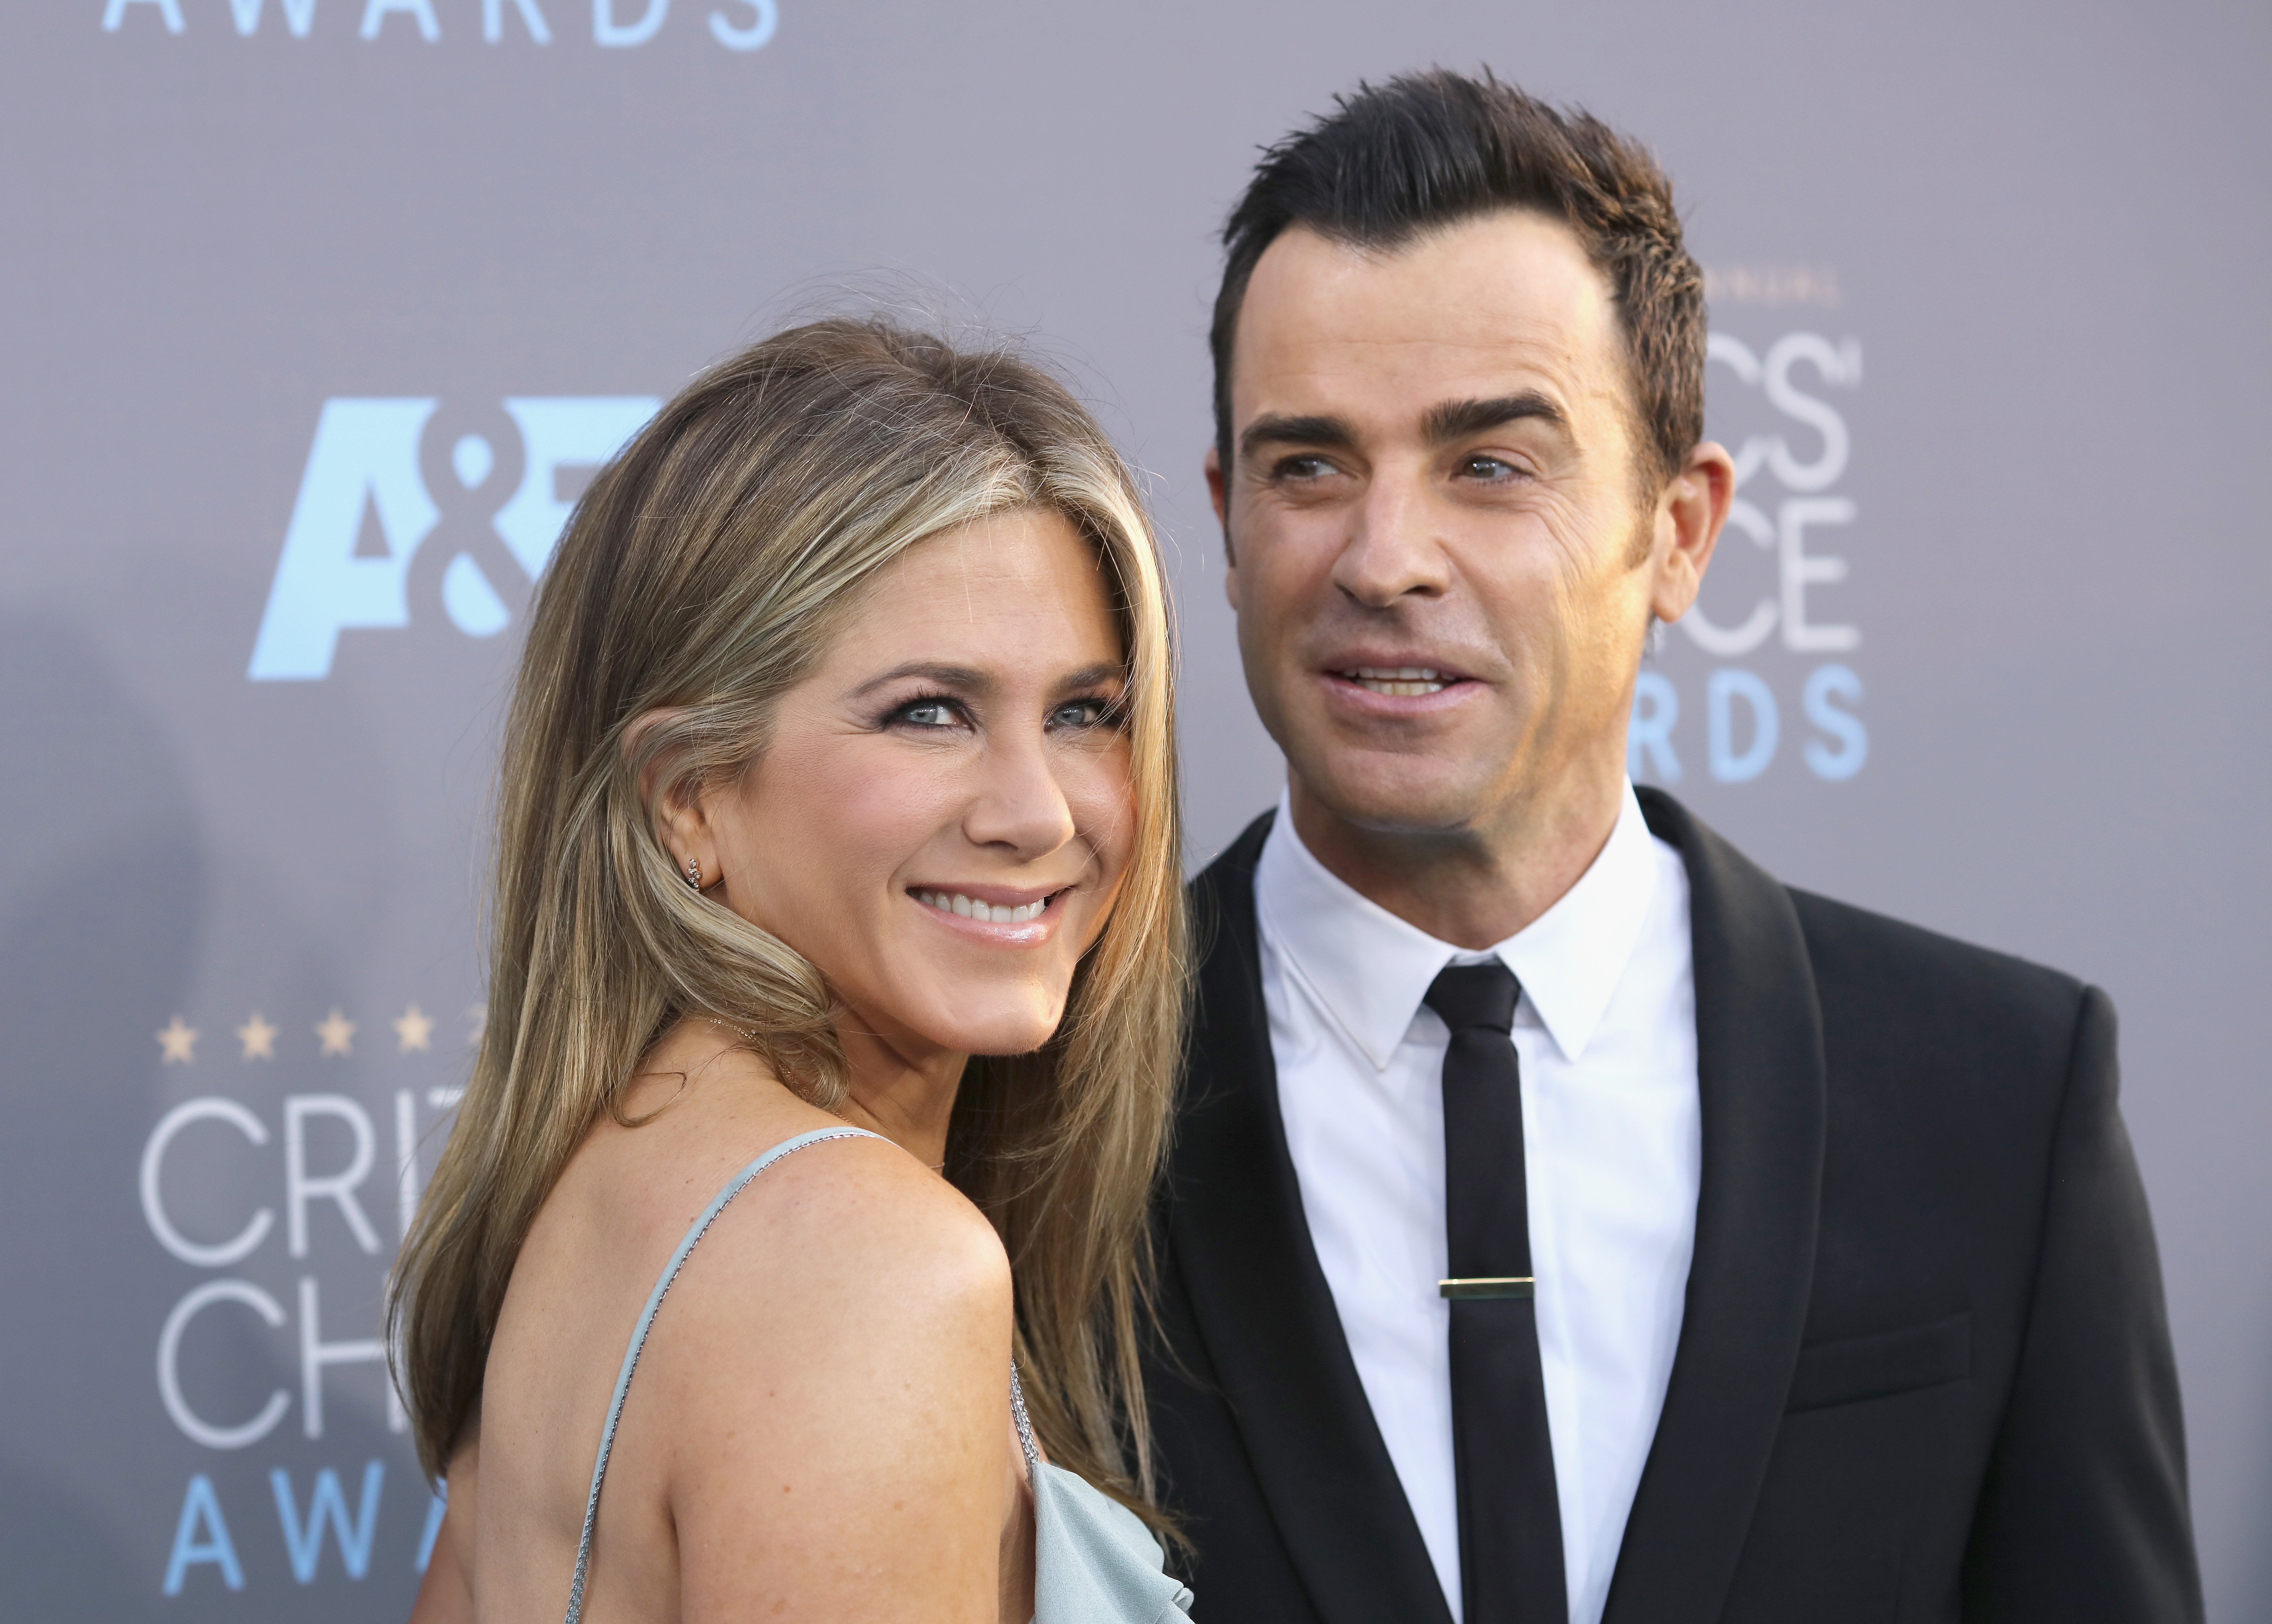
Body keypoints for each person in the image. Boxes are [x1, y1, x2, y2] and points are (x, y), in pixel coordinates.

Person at [1144, 69, 2202, 1624]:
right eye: (1310, 466)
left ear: (1681, 532)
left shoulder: (2000, 1096)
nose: (1384, 559)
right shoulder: (1041, 1102)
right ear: (1230, 524)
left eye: (1490, 464)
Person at [389, 318, 1196, 1623]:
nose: (1038, 811)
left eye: (1084, 712)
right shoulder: (867, 1268)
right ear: (689, 796)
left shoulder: (590, 1194)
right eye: (929, 711)